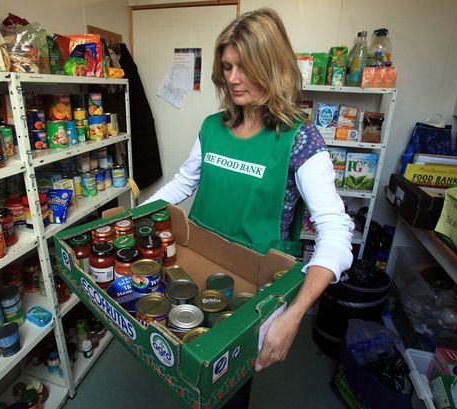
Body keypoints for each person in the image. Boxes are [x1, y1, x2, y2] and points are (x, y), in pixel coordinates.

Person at [146, 7, 354, 408]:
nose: (234, 78)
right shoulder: (212, 126)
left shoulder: (300, 139)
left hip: (254, 290)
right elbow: (183, 183)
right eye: (227, 67)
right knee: (187, 353)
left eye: (246, 66)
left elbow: (336, 230)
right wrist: (131, 214)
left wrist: (294, 314)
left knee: (228, 390)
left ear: (272, 66)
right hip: (197, 267)